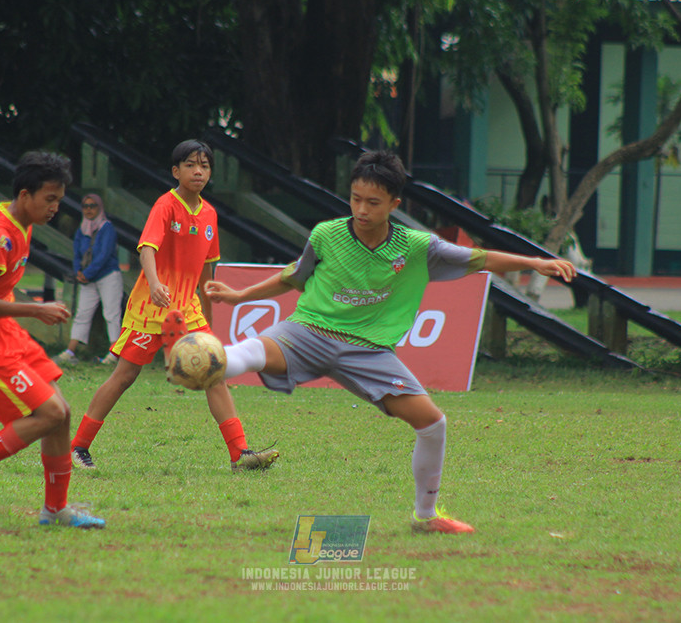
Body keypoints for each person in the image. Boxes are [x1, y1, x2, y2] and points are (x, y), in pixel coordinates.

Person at [201, 149, 576, 534]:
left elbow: (481, 259)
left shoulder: (417, 247)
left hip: (369, 351)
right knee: (252, 352)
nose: (361, 209)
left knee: (433, 423)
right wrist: (238, 296)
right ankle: (207, 360)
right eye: (355, 199)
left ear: (394, 204)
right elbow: (293, 277)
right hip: (309, 332)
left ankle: (426, 518)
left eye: (373, 202)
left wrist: (535, 263)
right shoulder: (326, 234)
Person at [70, 139, 279, 472]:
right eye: (191, 165)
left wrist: (210, 322)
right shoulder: (165, 205)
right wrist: (154, 284)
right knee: (124, 376)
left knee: (215, 375)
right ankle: (78, 448)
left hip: (189, 310)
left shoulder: (209, 213)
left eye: (205, 166)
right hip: (150, 310)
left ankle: (240, 454)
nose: (198, 171)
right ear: (176, 171)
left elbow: (206, 271)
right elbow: (146, 249)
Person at [0, 151, 105, 529]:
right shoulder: (0, 236)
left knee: (60, 415)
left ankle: (55, 510)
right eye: (49, 199)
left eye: (58, 200)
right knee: (49, 414)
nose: (55, 208)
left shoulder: (10, 220)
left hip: (3, 331)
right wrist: (37, 310)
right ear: (24, 195)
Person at [56, 193, 124, 365]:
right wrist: (78, 271)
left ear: (99, 208)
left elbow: (104, 255)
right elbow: (77, 254)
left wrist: (87, 274)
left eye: (93, 205)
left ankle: (114, 354)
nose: (89, 209)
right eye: (85, 206)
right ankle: (70, 351)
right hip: (88, 278)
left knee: (111, 313)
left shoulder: (106, 227)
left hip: (108, 276)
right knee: (81, 314)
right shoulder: (82, 229)